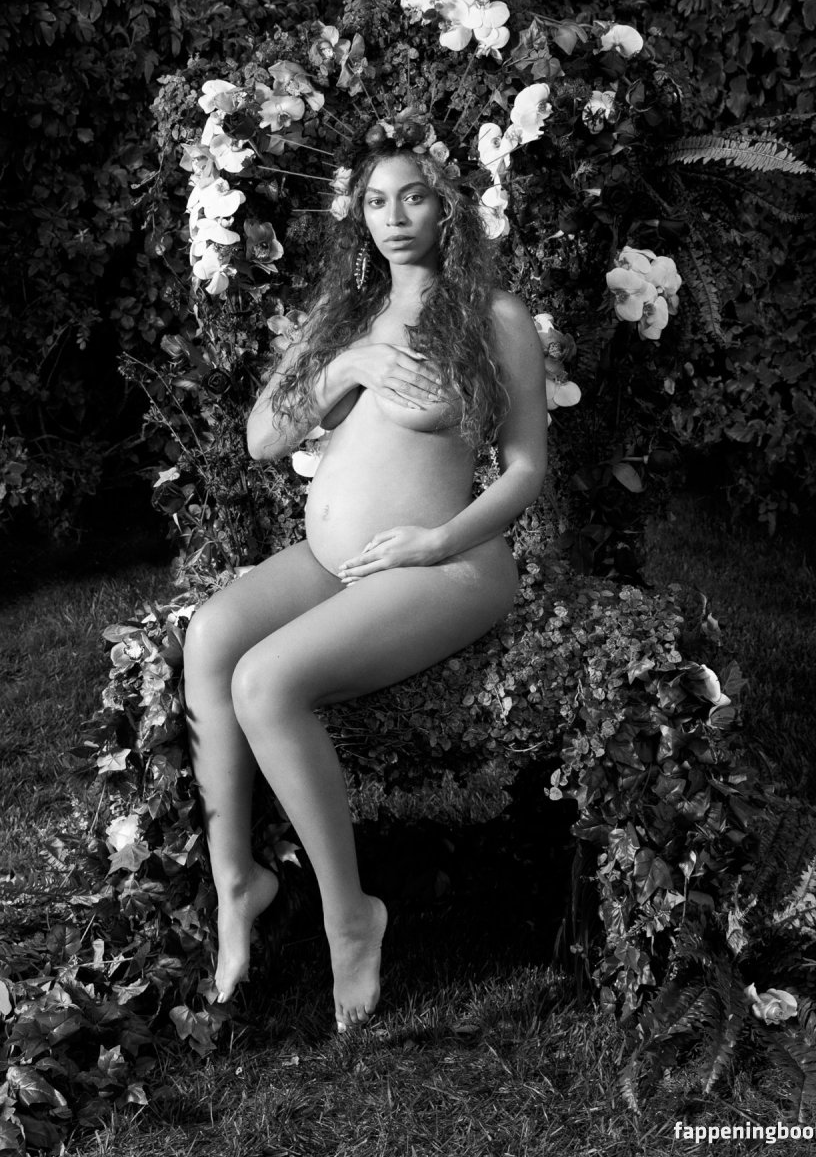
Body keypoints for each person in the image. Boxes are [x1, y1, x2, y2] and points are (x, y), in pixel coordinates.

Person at [182, 143, 548, 1034]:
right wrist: (348, 367)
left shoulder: (492, 316)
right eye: (377, 201)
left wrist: (437, 539)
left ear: (446, 209)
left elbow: (526, 468)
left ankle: (351, 916)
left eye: (414, 197)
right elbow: (263, 439)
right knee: (212, 637)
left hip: (448, 562)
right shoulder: (347, 317)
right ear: (360, 218)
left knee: (265, 682)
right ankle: (238, 882)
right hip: (334, 561)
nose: (395, 217)